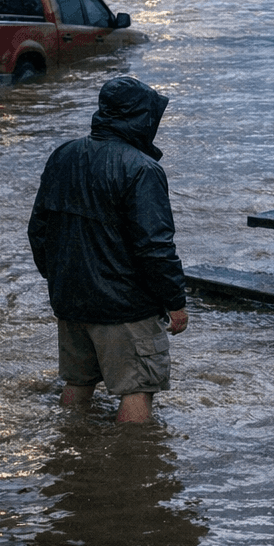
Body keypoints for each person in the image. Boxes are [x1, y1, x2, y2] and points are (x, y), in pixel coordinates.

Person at [28, 76, 189, 423]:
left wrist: (59, 278)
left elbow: (38, 230)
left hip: (71, 301)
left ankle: (72, 455)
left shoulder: (63, 155)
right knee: (137, 388)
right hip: (125, 310)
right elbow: (155, 247)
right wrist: (175, 301)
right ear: (141, 118)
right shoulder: (142, 170)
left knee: (78, 382)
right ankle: (133, 467)